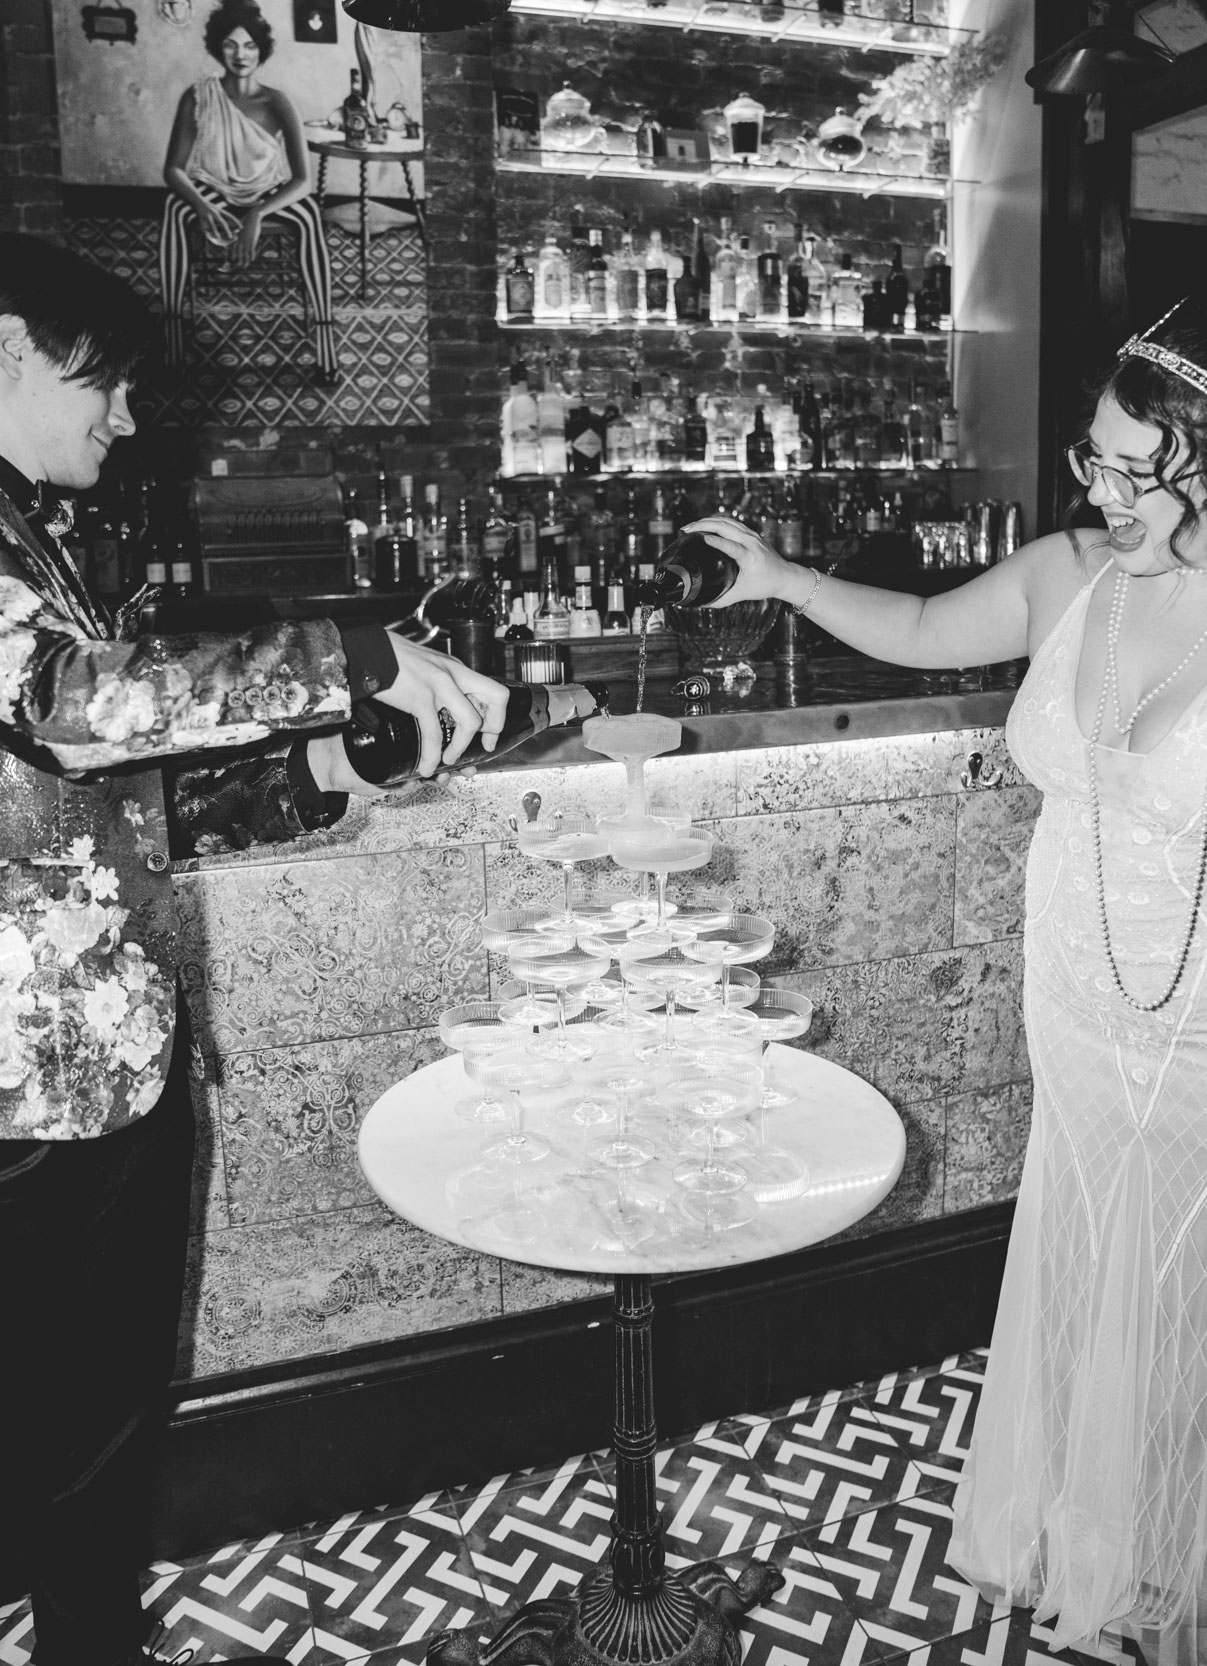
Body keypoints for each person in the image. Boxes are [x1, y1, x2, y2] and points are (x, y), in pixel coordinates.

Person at [0, 232, 508, 1666]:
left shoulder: (32, 531)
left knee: (84, 1414)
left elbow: (97, 802)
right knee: (72, 1417)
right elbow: (65, 708)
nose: (129, 415)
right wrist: (349, 651)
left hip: (81, 1062)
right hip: (32, 1086)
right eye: (102, 380)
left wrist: (323, 775)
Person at [685, 296, 1207, 1665]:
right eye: (1088, 459)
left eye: (1125, 470)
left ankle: (1161, 1562)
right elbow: (920, 623)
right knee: (1088, 1244)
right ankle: (1075, 1529)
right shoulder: (1063, 571)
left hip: (1194, 1020)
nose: (1094, 489)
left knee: (1180, 1268)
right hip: (1077, 1000)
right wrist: (789, 577)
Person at [159, 0, 339, 384]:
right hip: (213, 192)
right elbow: (173, 170)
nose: (241, 55)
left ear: (262, 50)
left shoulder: (277, 102)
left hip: (267, 194)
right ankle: (173, 343)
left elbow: (302, 181)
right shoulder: (198, 96)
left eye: (250, 46)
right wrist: (202, 205)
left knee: (309, 217)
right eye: (230, 45)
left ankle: (325, 346)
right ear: (217, 48)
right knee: (174, 208)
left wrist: (256, 214)